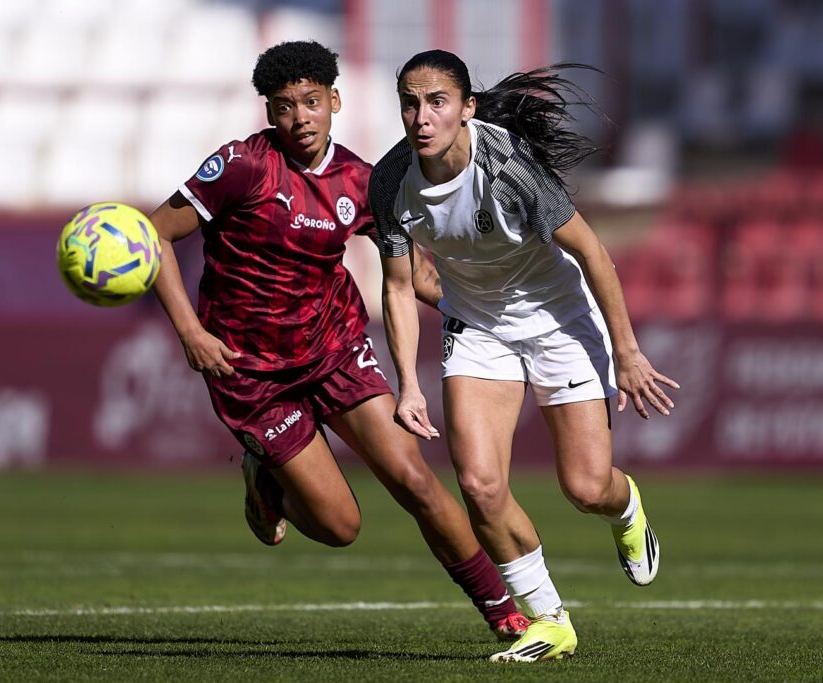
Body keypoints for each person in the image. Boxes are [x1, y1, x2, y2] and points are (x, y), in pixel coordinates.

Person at [147, 41, 529, 641]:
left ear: (335, 101)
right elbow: (154, 235)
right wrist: (190, 332)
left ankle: (504, 613)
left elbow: (414, 273)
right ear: (269, 113)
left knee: (415, 480)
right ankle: (266, 481)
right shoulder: (242, 166)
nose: (300, 118)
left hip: (334, 347)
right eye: (285, 107)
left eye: (311, 102)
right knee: (339, 527)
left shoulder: (362, 181)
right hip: (251, 373)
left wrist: (485, 310)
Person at [369, 50, 680, 663]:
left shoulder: (510, 166)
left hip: (560, 321)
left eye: (437, 102)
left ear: (467, 108)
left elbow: (592, 253)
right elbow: (400, 287)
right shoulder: (390, 181)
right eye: (410, 103)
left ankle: (626, 508)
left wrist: (627, 353)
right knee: (480, 486)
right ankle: (549, 621)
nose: (422, 117)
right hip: (478, 328)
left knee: (586, 487)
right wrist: (408, 384)